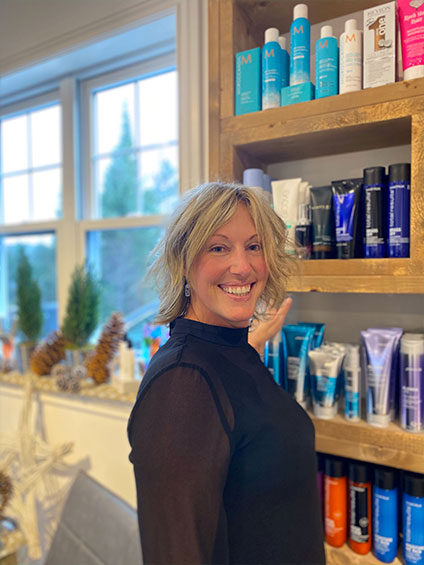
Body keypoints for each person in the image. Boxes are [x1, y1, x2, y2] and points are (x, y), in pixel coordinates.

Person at [127, 182, 325, 564]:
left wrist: (252, 345)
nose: (243, 266)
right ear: (184, 262)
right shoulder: (182, 384)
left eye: (254, 246)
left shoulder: (228, 353)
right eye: (218, 248)